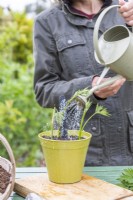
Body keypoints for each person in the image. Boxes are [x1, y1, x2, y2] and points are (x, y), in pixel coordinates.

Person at [33, 0, 133, 166]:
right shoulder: (48, 22)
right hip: (83, 152)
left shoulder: (125, 11)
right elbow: (44, 90)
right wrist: (89, 87)